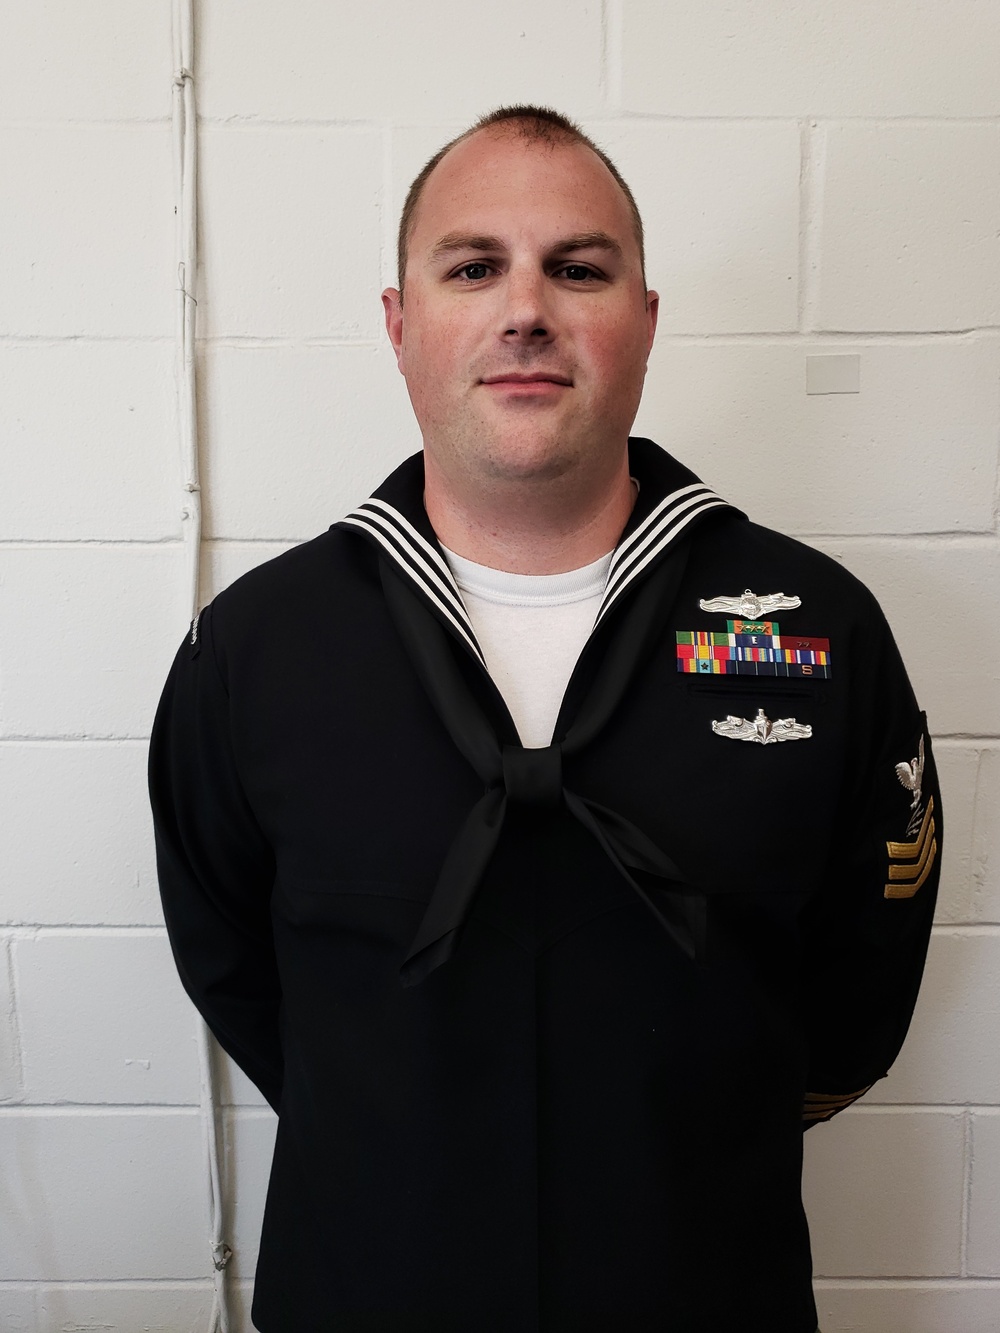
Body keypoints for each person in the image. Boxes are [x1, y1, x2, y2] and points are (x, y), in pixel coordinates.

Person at [149, 106, 941, 1332]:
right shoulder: (257, 647)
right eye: (474, 268)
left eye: (577, 269)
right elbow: (234, 965)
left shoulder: (820, 629)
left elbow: (858, 995)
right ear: (400, 324)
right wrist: (404, 1133)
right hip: (365, 1295)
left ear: (645, 321)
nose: (525, 309)